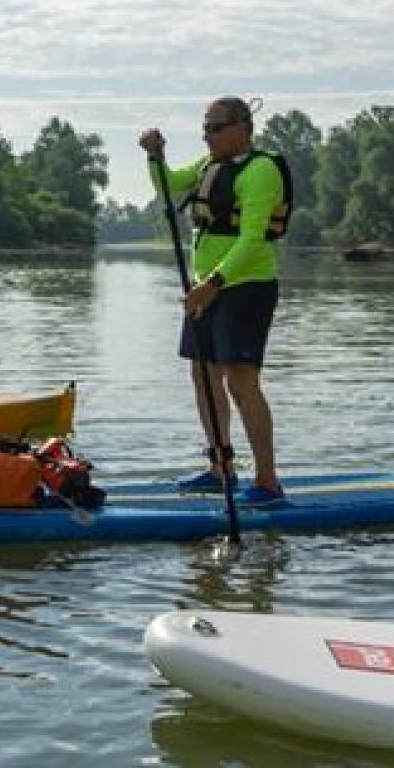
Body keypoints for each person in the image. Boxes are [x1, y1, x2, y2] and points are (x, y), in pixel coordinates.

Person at [139, 96, 292, 507]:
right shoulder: (210, 165)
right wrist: (155, 156)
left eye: (216, 127)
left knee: (241, 382)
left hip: (245, 287)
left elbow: (252, 239)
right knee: (203, 377)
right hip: (206, 288)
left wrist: (214, 283)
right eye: (205, 128)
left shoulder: (260, 171)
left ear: (243, 128)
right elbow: (169, 185)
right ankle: (220, 468)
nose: (207, 136)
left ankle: (267, 482)